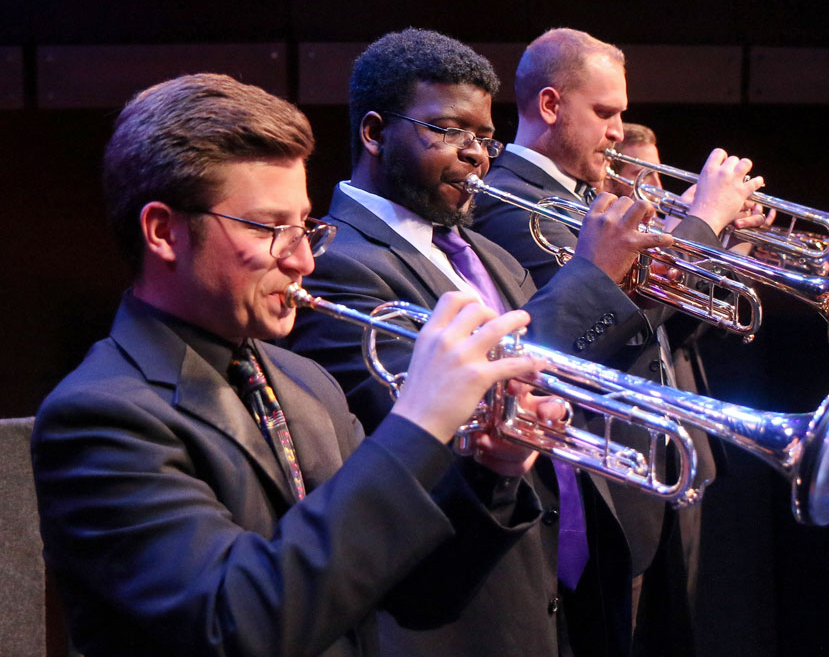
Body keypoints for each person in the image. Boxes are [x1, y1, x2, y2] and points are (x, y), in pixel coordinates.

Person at [31, 73, 556, 657]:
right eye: (270, 228)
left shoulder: (306, 383)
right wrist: (418, 423)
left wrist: (492, 471)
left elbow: (415, 596)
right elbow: (241, 624)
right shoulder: (99, 419)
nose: (303, 258)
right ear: (163, 232)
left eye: (303, 226)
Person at [281, 29, 677, 657]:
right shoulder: (335, 263)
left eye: (485, 139)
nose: (477, 155)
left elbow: (565, 372)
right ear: (375, 133)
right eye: (448, 131)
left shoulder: (488, 254)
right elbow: (454, 410)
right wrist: (592, 276)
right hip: (466, 609)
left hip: (569, 589)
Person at [470, 28, 763, 657]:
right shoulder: (511, 204)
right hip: (591, 492)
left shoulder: (579, 199)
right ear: (549, 106)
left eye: (620, 113)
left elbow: (644, 312)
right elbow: (584, 329)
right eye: (605, 113)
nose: (616, 130)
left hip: (647, 474)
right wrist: (702, 223)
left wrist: (714, 238)